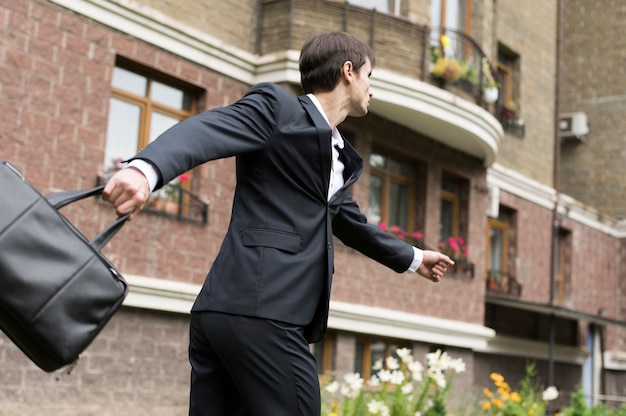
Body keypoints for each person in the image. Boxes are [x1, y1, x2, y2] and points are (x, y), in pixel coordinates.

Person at [103, 31, 454, 416]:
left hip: (226, 315)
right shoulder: (278, 108)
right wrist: (146, 171)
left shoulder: (334, 156)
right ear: (349, 72)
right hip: (266, 314)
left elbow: (351, 222)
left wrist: (416, 258)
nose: (372, 90)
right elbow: (208, 128)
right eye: (371, 77)